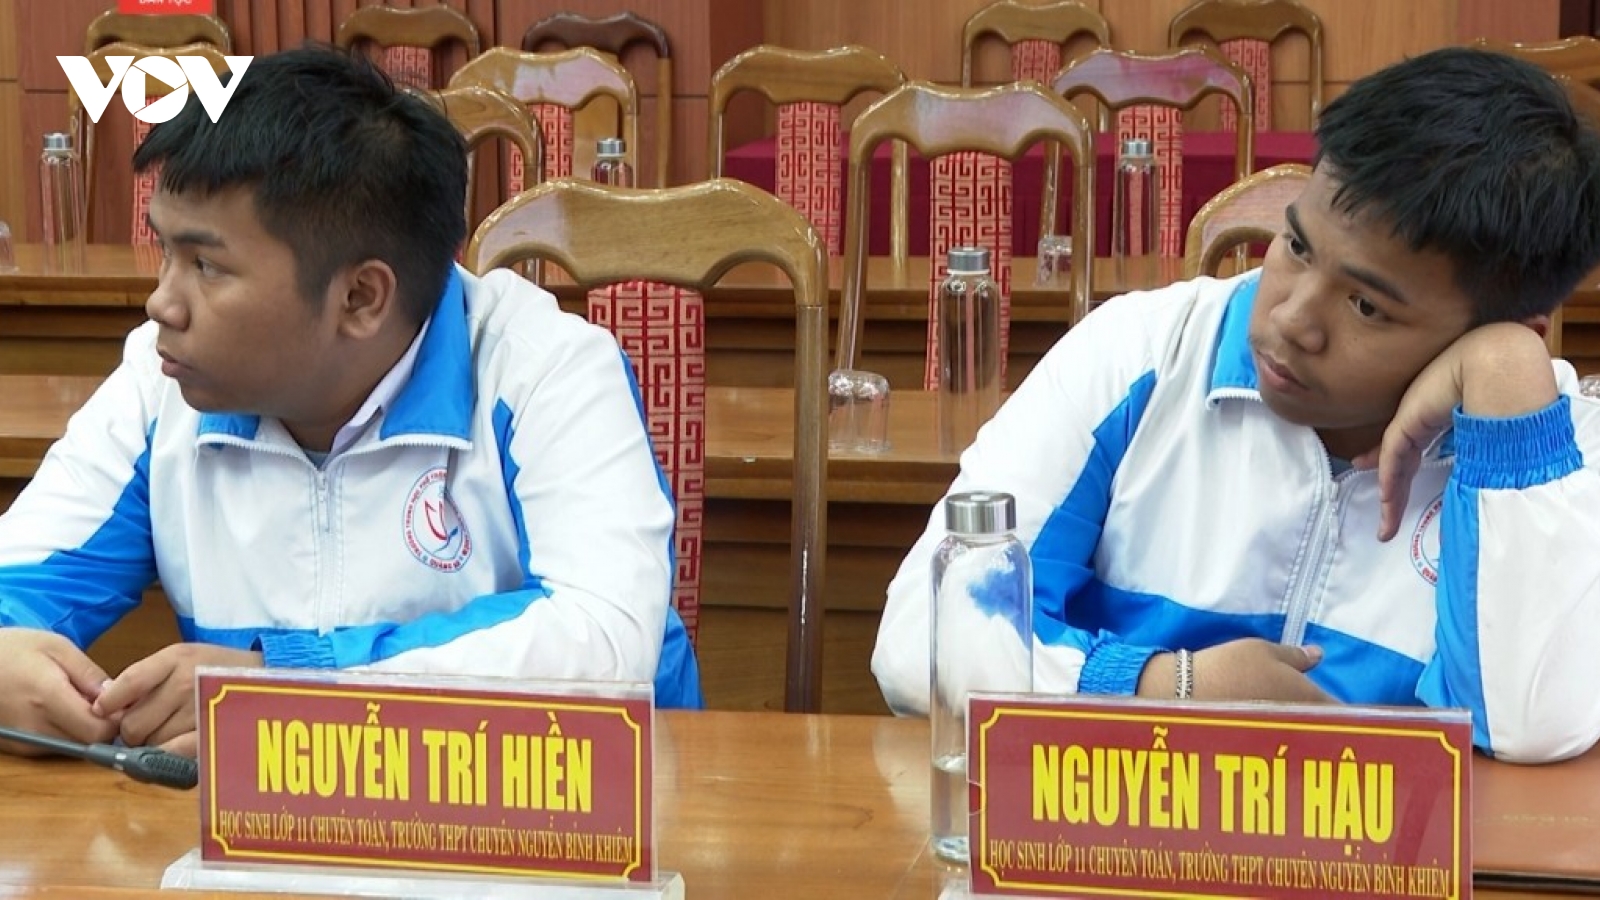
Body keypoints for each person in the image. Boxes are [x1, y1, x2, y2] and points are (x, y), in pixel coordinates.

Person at [874, 47, 1600, 764]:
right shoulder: (1141, 353)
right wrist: (1168, 688)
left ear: (1508, 327)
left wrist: (1506, 378)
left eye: (1366, 306)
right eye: (1297, 246)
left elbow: (1528, 734)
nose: (1291, 319)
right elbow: (921, 639)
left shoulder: (1567, 461)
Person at [0, 45, 700, 759]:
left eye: (206, 265)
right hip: (269, 816)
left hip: (568, 807)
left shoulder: (544, 370)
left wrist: (291, 685)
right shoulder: (163, 385)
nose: (162, 304)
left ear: (361, 297)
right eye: (165, 253)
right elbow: (14, 583)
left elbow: (602, 638)